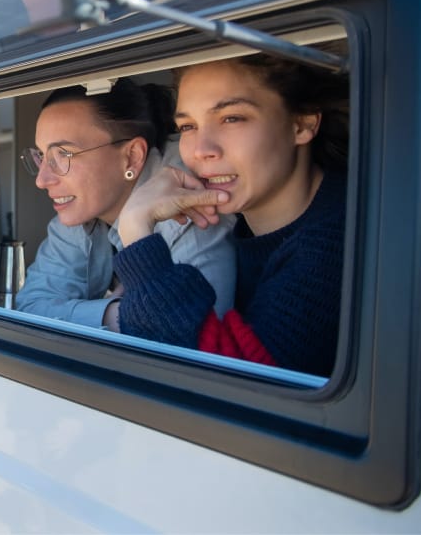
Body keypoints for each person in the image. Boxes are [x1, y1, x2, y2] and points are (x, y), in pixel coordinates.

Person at [111, 49, 349, 376]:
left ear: (302, 123)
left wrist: (136, 226)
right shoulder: (244, 225)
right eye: (188, 126)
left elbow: (218, 383)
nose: (201, 150)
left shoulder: (334, 245)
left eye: (231, 118)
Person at [15, 79, 235, 330]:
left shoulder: (188, 214)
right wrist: (119, 313)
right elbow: (30, 309)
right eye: (42, 156)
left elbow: (193, 343)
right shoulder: (83, 208)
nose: (42, 180)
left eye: (63, 154)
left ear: (132, 157)